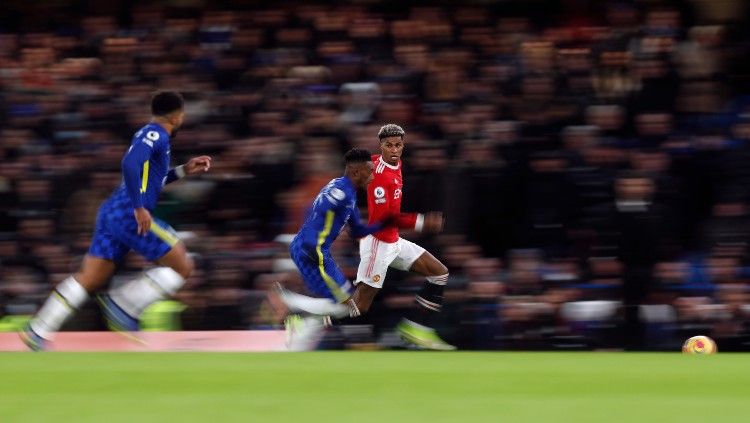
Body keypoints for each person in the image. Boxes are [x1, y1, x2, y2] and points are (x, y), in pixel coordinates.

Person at [20, 91, 212, 350]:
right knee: (183, 266)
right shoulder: (155, 134)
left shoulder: (153, 137)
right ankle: (124, 304)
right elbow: (130, 164)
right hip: (130, 214)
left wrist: (184, 170)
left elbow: (151, 179)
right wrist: (139, 208)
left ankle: (38, 330)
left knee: (89, 278)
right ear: (177, 115)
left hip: (112, 212)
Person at [277, 125, 454, 350]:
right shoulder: (376, 174)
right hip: (378, 244)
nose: (394, 149)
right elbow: (385, 216)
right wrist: (420, 222)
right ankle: (306, 321)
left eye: (398, 144)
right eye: (389, 145)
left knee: (439, 273)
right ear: (381, 145)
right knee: (358, 307)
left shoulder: (390, 165)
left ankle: (417, 328)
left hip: (393, 241)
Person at [278, 148, 395, 350]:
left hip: (308, 248)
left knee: (337, 304)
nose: (373, 176)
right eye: (370, 171)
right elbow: (321, 208)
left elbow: (357, 230)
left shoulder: (344, 192)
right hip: (312, 251)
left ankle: (295, 345)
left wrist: (383, 223)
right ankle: (292, 301)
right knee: (348, 306)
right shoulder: (341, 193)